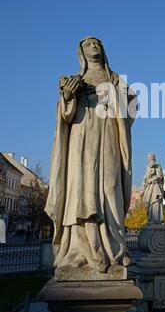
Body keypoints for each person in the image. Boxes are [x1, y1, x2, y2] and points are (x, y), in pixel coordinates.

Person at [45, 36, 136, 273]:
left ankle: (115, 248)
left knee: (110, 186)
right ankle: (77, 249)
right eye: (88, 44)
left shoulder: (115, 80)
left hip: (108, 136)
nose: (94, 46)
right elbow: (65, 116)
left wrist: (116, 98)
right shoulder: (74, 80)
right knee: (80, 189)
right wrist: (67, 96)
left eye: (97, 43)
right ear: (81, 53)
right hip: (81, 138)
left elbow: (133, 108)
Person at [142, 154, 164, 224]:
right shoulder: (148, 166)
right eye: (149, 158)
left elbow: (160, 176)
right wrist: (146, 179)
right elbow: (146, 177)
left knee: (155, 201)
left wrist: (152, 179)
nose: (150, 159)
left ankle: (156, 219)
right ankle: (150, 219)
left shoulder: (157, 166)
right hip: (149, 187)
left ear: (153, 158)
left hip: (155, 187)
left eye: (151, 157)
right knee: (149, 202)